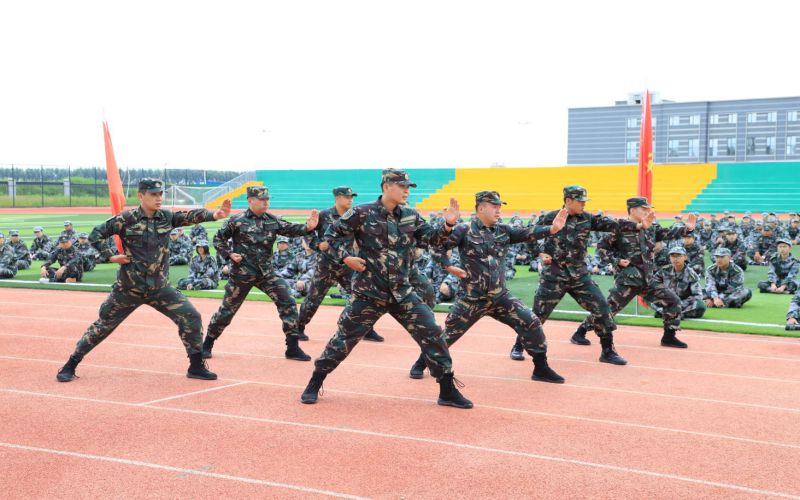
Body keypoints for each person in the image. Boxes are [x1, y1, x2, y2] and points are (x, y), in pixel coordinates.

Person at [300, 169, 472, 409]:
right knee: (343, 340)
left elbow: (431, 239)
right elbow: (331, 237)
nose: (406, 191)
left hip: (402, 292)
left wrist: (447, 225)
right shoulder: (361, 213)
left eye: (409, 187)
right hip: (369, 293)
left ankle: (447, 389)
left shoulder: (411, 215)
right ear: (386, 186)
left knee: (432, 334)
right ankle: (315, 381)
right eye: (402, 186)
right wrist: (346, 258)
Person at [55, 178, 231, 382]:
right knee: (103, 326)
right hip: (129, 288)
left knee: (191, 316)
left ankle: (196, 365)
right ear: (141, 196)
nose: (158, 198)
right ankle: (71, 364)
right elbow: (97, 234)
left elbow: (189, 216)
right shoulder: (126, 218)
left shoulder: (166, 217)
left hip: (160, 288)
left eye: (160, 194)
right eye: (153, 194)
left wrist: (214, 215)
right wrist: (110, 256)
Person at [407, 190, 568, 382]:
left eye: (500, 206)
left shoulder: (503, 230)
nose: (499, 210)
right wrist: (448, 266)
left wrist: (552, 229)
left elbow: (527, 233)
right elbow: (437, 246)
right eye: (495, 206)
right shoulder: (463, 230)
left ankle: (541, 368)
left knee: (531, 322)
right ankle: (421, 361)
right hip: (472, 298)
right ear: (481, 208)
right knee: (447, 335)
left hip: (501, 297)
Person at [509, 186, 642, 365]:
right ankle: (519, 345)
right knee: (539, 314)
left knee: (602, 308)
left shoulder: (587, 218)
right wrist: (539, 252)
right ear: (568, 200)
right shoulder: (550, 217)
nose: (583, 204)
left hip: (580, 276)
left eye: (584, 201)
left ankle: (608, 350)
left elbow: (613, 224)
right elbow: (529, 235)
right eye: (580, 201)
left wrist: (637, 225)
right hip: (554, 276)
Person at [202, 185, 319, 361]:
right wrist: (228, 254)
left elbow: (291, 229)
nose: (266, 202)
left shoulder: (273, 220)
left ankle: (293, 347)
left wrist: (307, 227)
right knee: (227, 310)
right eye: (262, 199)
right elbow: (218, 239)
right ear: (250, 201)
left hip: (266, 273)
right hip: (242, 273)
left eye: (267, 199)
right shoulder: (237, 221)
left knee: (287, 300)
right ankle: (207, 344)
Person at [571, 198, 694, 353]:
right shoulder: (619, 227)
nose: (647, 211)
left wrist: (686, 229)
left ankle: (669, 336)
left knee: (672, 301)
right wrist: (616, 261)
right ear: (632, 209)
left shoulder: (650, 227)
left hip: (647, 279)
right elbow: (601, 249)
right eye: (643, 209)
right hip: (628, 280)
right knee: (608, 310)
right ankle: (580, 332)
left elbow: (667, 233)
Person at [298, 186, 384, 341]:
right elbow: (308, 232)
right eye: (347, 197)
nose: (351, 199)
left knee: (360, 297)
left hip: (348, 265)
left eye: (352, 197)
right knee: (314, 298)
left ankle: (366, 329)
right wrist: (317, 245)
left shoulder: (354, 215)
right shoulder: (324, 215)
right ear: (338, 198)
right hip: (326, 265)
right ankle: (298, 328)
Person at [652, 246, 706, 319]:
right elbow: (653, 285)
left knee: (700, 305)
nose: (675, 259)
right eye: (673, 256)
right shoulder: (664, 271)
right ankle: (670, 313)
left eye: (678, 256)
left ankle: (672, 313)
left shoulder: (691, 274)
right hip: (667, 302)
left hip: (683, 303)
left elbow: (697, 295)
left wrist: (679, 304)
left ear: (685, 257)